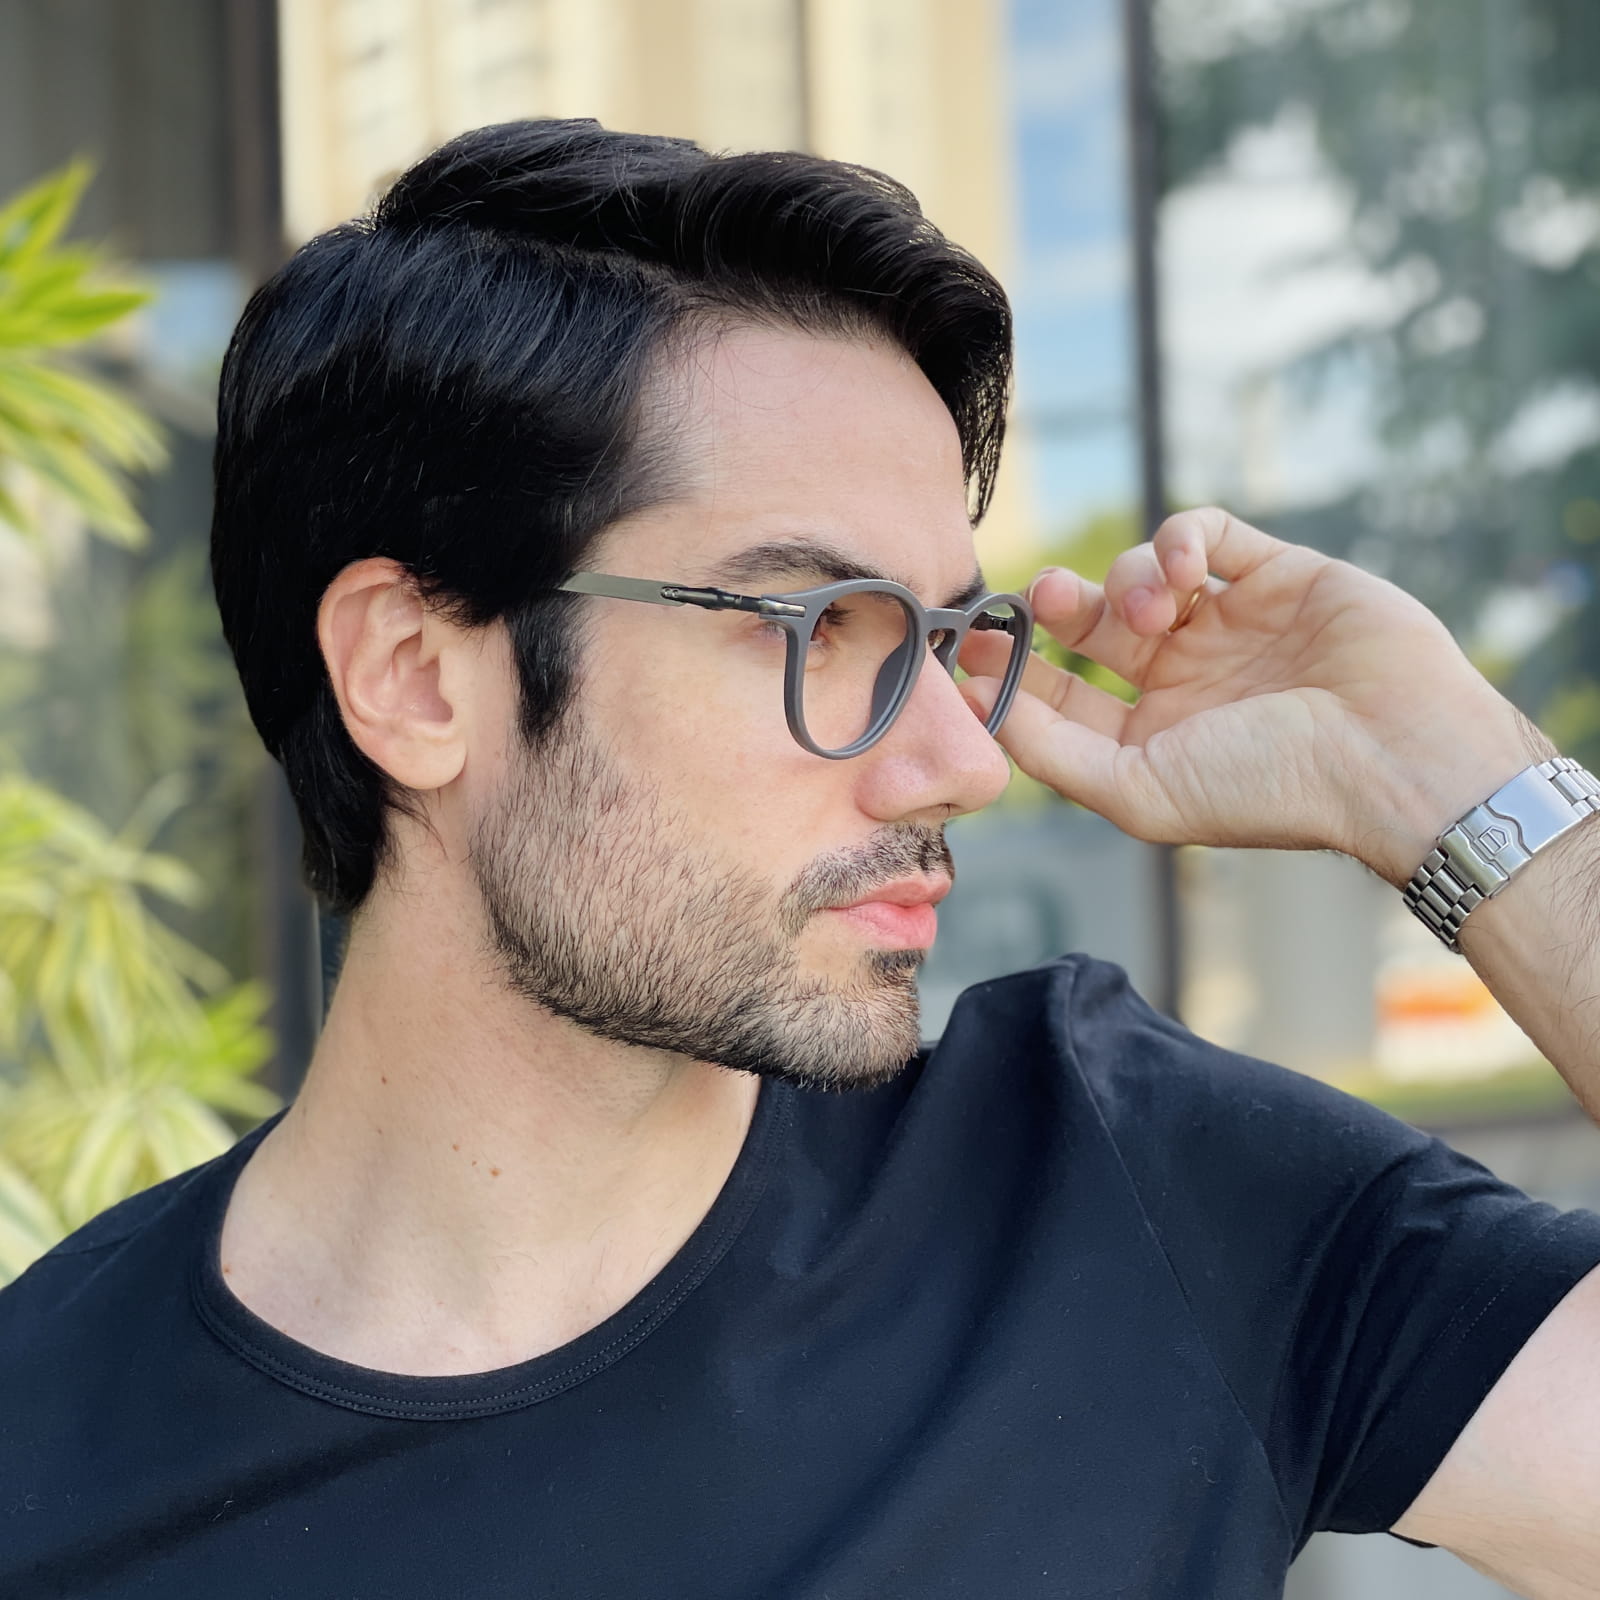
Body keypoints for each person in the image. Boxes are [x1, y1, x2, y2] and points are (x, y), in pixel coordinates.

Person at [3, 118, 1599, 1600]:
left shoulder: (1127, 1190)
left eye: (948, 636)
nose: (962, 763)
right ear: (416, 677)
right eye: (819, 628)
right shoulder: (46, 1462)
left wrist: (1457, 785)